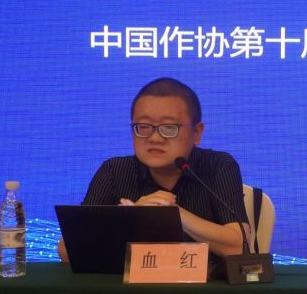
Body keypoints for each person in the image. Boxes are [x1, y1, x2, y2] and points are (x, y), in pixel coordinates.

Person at [58, 77, 250, 263]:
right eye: (144, 127)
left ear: (197, 132)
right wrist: (130, 220)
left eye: (169, 127)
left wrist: (173, 214)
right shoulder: (114, 171)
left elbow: (239, 246)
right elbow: (67, 251)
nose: (155, 138)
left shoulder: (218, 166)